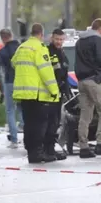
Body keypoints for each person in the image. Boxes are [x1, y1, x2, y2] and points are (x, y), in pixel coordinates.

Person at [12, 22, 61, 163]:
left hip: (22, 93)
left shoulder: (22, 47)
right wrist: (54, 91)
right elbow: (46, 71)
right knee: (39, 124)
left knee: (28, 124)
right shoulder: (40, 48)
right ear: (41, 34)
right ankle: (37, 153)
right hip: (36, 93)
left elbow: (13, 63)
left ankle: (31, 152)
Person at [74, 18, 101, 159]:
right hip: (94, 80)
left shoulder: (79, 41)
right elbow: (99, 58)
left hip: (81, 81)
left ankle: (83, 147)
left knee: (85, 115)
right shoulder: (96, 39)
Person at [44, 28, 71, 160]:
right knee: (49, 122)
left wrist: (67, 91)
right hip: (49, 93)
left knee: (55, 122)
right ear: (52, 39)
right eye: (57, 39)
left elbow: (64, 75)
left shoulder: (62, 53)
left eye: (61, 39)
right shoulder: (48, 52)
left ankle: (51, 149)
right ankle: (47, 150)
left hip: (59, 92)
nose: (59, 42)